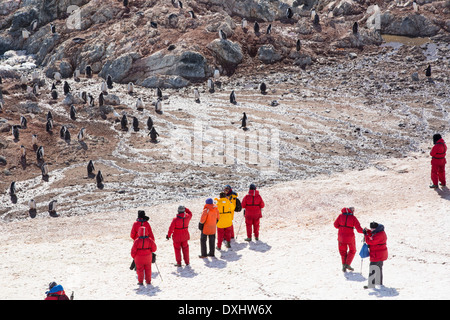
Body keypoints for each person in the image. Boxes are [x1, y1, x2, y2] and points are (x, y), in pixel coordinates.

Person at [333, 207, 364, 272]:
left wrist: (342, 228)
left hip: (341, 237)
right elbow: (358, 229)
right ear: (351, 211)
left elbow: (335, 225)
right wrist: (364, 231)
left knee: (342, 251)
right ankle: (347, 264)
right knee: (352, 250)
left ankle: (343, 266)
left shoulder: (340, 216)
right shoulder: (353, 218)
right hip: (350, 238)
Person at [363, 222, 388, 288]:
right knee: (379, 268)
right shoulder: (380, 232)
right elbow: (372, 234)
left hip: (377, 254)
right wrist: (367, 231)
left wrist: (365, 235)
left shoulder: (378, 235)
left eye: (372, 229)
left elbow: (370, 241)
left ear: (376, 228)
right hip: (381, 253)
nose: (371, 230)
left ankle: (371, 284)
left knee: (373, 267)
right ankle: (379, 282)